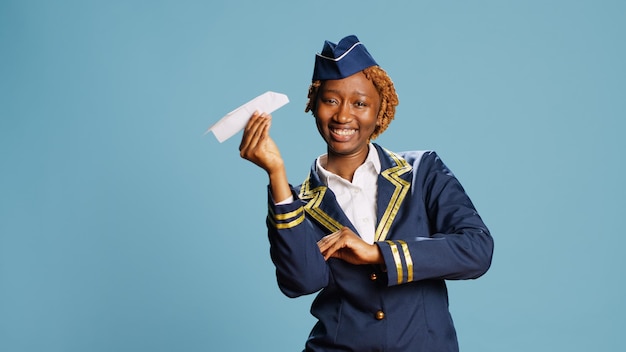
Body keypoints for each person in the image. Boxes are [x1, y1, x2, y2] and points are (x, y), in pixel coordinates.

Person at [239, 35, 494, 352]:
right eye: (331, 100)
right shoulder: (296, 203)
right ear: (314, 105)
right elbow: (301, 282)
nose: (343, 116)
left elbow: (477, 250)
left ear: (380, 110)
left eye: (359, 103)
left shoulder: (422, 171)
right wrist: (276, 174)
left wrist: (377, 253)